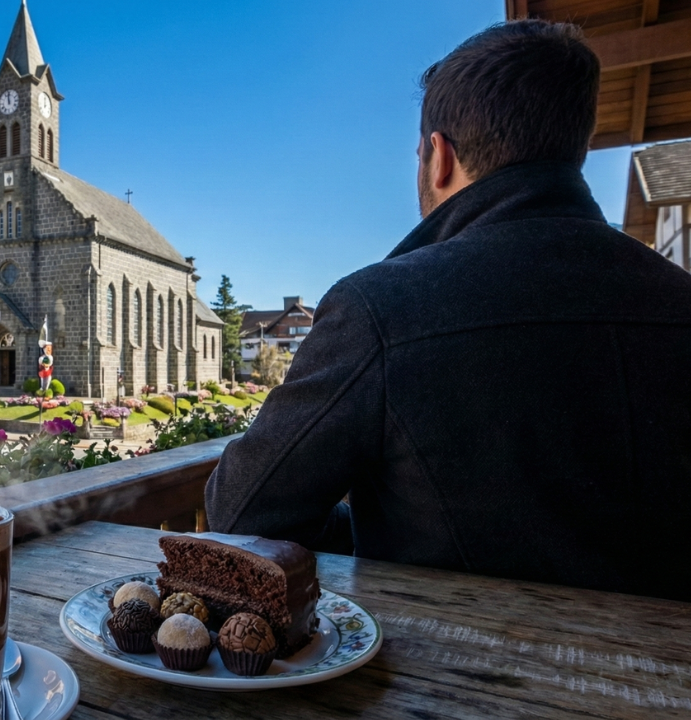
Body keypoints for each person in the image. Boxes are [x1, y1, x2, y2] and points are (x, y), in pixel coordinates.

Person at [205, 20, 691, 602]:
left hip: (445, 681)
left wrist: (374, 531)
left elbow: (241, 513)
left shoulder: (380, 309)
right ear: (576, 151)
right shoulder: (676, 296)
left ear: (439, 156)